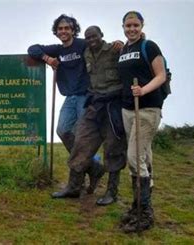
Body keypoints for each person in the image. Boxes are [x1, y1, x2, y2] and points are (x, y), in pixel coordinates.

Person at [27, 14, 105, 198]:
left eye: (67, 28)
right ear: (56, 31)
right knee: (62, 130)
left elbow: (102, 46)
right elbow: (32, 49)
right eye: (60, 29)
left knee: (81, 138)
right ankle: (93, 166)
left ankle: (74, 186)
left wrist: (118, 43)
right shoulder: (57, 50)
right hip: (69, 98)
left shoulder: (82, 44)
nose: (63, 31)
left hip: (86, 96)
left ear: (73, 30)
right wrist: (48, 59)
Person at [117, 11, 167, 233]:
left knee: (134, 156)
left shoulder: (150, 47)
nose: (132, 29)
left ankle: (145, 213)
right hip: (128, 108)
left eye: (135, 25)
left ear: (142, 25)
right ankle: (137, 206)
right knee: (143, 155)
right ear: (123, 27)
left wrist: (143, 89)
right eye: (128, 25)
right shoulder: (124, 49)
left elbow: (161, 75)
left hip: (147, 108)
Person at [66, 26, 127, 205]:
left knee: (113, 148)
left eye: (94, 36)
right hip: (94, 105)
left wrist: (123, 43)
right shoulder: (86, 53)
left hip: (114, 105)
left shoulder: (115, 50)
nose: (92, 40)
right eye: (88, 38)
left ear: (102, 35)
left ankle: (111, 192)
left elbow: (130, 58)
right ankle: (73, 187)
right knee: (81, 142)